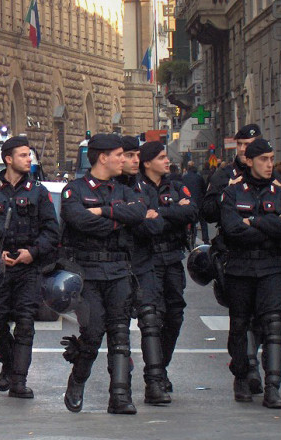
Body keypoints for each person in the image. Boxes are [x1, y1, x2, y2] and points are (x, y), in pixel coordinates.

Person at [59, 134, 147, 415]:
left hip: (119, 271)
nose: (126, 160)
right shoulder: (74, 189)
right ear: (103, 157)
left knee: (121, 334)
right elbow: (78, 220)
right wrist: (115, 222)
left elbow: (139, 212)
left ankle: (120, 396)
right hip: (88, 274)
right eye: (120, 154)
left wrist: (103, 211)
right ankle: (77, 380)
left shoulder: (124, 190)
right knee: (93, 333)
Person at [221, 138, 281, 409]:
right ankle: (241, 377)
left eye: (271, 158)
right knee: (239, 326)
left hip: (272, 268)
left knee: (273, 325)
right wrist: (268, 226)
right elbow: (231, 228)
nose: (269, 164)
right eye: (263, 159)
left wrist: (252, 221)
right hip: (240, 268)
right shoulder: (233, 192)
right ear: (250, 161)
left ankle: (273, 387)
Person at [0, 136, 59, 399]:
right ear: (8, 159)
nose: (29, 159)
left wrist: (32, 253)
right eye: (24, 155)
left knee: (25, 322)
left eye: (30, 155)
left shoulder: (38, 192)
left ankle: (19, 380)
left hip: (29, 268)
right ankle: (8, 362)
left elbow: (52, 231)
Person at [200, 124, 266, 394]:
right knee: (239, 320)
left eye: (248, 144)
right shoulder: (224, 174)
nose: (243, 150)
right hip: (233, 255)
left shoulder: (270, 173)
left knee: (263, 319)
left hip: (264, 254)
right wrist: (226, 191)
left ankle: (249, 361)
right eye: (239, 145)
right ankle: (244, 370)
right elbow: (207, 211)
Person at [137, 141, 198, 400]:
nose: (167, 161)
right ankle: (154, 378)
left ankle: (161, 368)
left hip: (172, 258)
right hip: (148, 259)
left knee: (174, 316)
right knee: (151, 318)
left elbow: (191, 212)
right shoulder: (136, 187)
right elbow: (139, 219)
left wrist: (159, 213)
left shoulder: (175, 185)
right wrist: (174, 212)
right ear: (147, 162)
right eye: (161, 157)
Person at [116, 136, 168, 405]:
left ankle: (155, 383)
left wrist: (128, 218)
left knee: (150, 321)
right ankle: (121, 388)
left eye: (138, 155)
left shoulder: (144, 189)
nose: (135, 160)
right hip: (116, 265)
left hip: (144, 262)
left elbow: (157, 225)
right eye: (129, 155)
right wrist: (138, 217)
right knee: (119, 328)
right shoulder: (109, 187)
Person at [182, 163, 209, 244]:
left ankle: (184, 237)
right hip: (199, 203)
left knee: (185, 220)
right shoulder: (199, 177)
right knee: (203, 221)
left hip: (188, 203)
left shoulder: (184, 178)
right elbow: (204, 190)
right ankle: (206, 239)